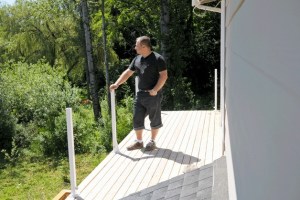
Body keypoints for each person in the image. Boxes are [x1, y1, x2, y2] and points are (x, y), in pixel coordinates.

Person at [110, 36, 168, 151]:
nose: (135, 47)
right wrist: (117, 84)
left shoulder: (158, 59)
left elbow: (164, 76)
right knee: (137, 117)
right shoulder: (137, 59)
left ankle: (152, 142)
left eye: (136, 45)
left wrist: (155, 89)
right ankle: (139, 142)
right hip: (140, 94)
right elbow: (128, 72)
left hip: (153, 94)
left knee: (154, 119)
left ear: (144, 46)